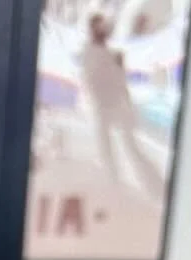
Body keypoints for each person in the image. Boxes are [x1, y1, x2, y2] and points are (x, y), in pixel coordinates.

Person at [78, 12, 164, 198]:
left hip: (117, 104)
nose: (105, 29)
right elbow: (91, 80)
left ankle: (149, 184)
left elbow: (120, 81)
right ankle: (113, 182)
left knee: (128, 144)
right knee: (107, 146)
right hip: (102, 106)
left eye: (104, 25)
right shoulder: (89, 53)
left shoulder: (112, 53)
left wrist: (126, 101)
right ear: (93, 30)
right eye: (100, 26)